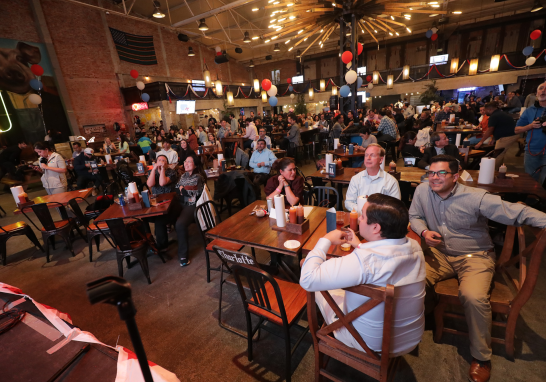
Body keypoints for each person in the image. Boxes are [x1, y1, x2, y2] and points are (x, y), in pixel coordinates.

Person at [408, 154, 546, 382]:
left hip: (475, 256)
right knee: (410, 278)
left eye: (441, 173)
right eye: (431, 173)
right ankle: (425, 317)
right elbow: (414, 215)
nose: (434, 178)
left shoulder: (476, 197)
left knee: (473, 297)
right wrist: (423, 231)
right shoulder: (423, 191)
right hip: (440, 254)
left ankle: (481, 357)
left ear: (456, 175)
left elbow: (518, 212)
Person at [300, 194, 426, 356]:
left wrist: (326, 239)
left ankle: (322, 332)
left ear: (376, 228)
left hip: (369, 344)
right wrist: (358, 245)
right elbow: (382, 262)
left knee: (309, 272)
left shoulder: (363, 261)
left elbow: (308, 279)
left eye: (363, 216)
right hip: (409, 340)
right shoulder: (415, 246)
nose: (359, 218)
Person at [345, 144, 401, 211]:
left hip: (381, 220)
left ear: (381, 159)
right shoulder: (356, 179)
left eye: (372, 155)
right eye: (366, 155)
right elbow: (348, 202)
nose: (368, 158)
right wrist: (363, 210)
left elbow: (395, 207)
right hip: (360, 218)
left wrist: (373, 213)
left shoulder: (391, 181)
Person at [175, 153, 205, 267]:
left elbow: (191, 193)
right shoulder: (184, 176)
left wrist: (182, 189)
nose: (185, 164)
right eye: (185, 161)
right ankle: (161, 245)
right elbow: (177, 188)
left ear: (195, 165)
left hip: (192, 204)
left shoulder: (198, 177)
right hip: (182, 202)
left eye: (189, 162)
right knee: (164, 214)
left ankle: (183, 256)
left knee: (180, 224)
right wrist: (182, 189)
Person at [146, 154, 180, 251]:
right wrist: (153, 169)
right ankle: (149, 242)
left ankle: (162, 245)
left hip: (172, 202)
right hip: (157, 202)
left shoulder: (171, 172)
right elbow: (150, 184)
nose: (161, 162)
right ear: (156, 162)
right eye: (159, 160)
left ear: (167, 163)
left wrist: (162, 170)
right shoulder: (152, 172)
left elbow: (162, 183)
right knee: (144, 218)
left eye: (164, 160)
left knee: (159, 220)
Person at [515, 81, 546, 184]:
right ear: (536, 93)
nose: (543, 91)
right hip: (531, 150)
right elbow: (516, 130)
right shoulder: (529, 110)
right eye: (541, 88)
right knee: (530, 180)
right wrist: (530, 126)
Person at [474, 102, 518, 167]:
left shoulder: (494, 116)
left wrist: (481, 142)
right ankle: (498, 170)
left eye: (485, 110)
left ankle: (493, 171)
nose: (485, 112)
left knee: (497, 155)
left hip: (507, 136)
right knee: (500, 153)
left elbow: (490, 130)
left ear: (489, 109)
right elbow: (499, 127)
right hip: (511, 135)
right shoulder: (499, 114)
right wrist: (493, 138)